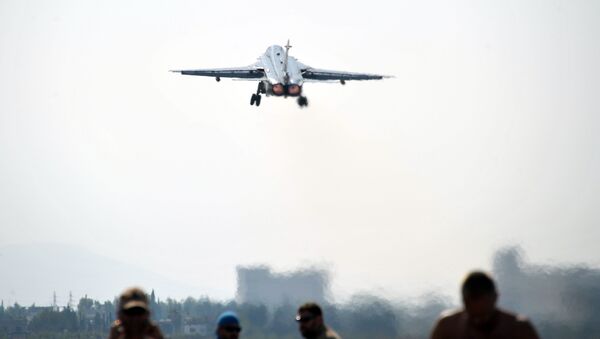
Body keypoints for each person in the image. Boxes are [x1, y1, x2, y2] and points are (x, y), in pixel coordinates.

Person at [430, 271, 539, 339]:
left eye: (484, 316)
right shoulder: (447, 327)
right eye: (473, 317)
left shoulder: (518, 329)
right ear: (464, 301)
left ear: (495, 298)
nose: (479, 321)